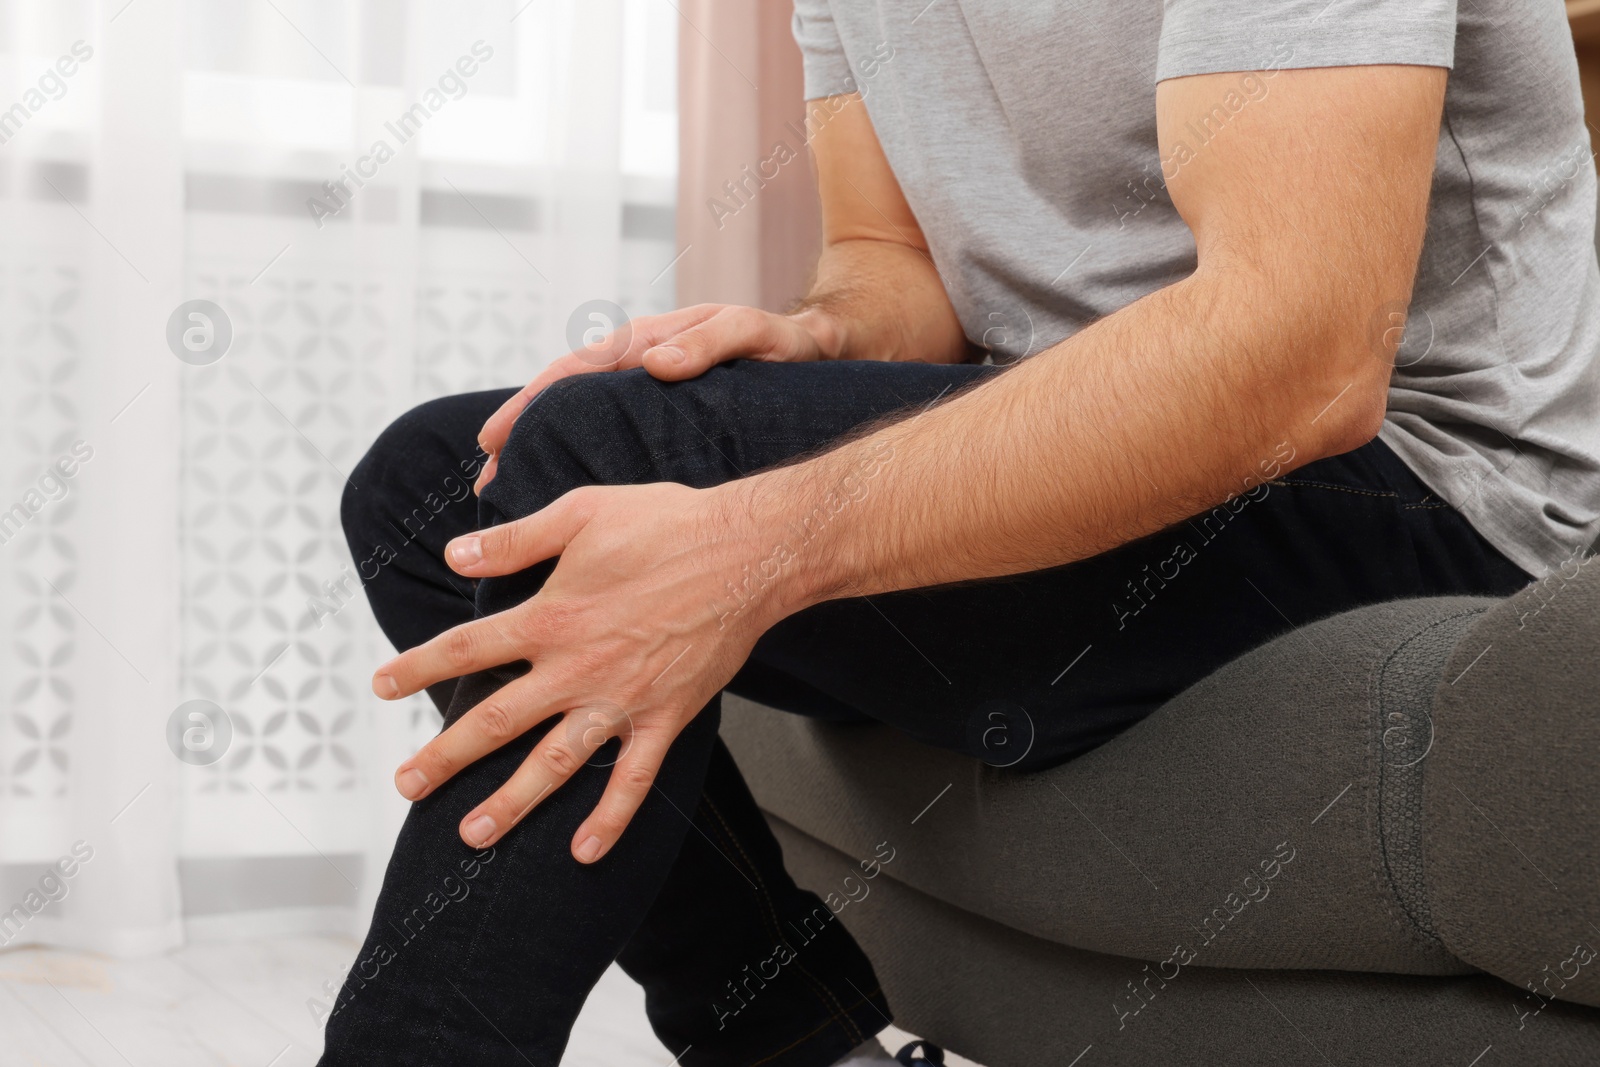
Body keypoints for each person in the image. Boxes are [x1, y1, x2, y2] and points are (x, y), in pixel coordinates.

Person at [321, 1, 1600, 1064]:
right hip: (1084, 440)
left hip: (1420, 482)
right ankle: (799, 1046)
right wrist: (825, 329)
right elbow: (894, 257)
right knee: (441, 487)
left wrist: (756, 538)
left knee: (599, 452)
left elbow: (1297, 361)